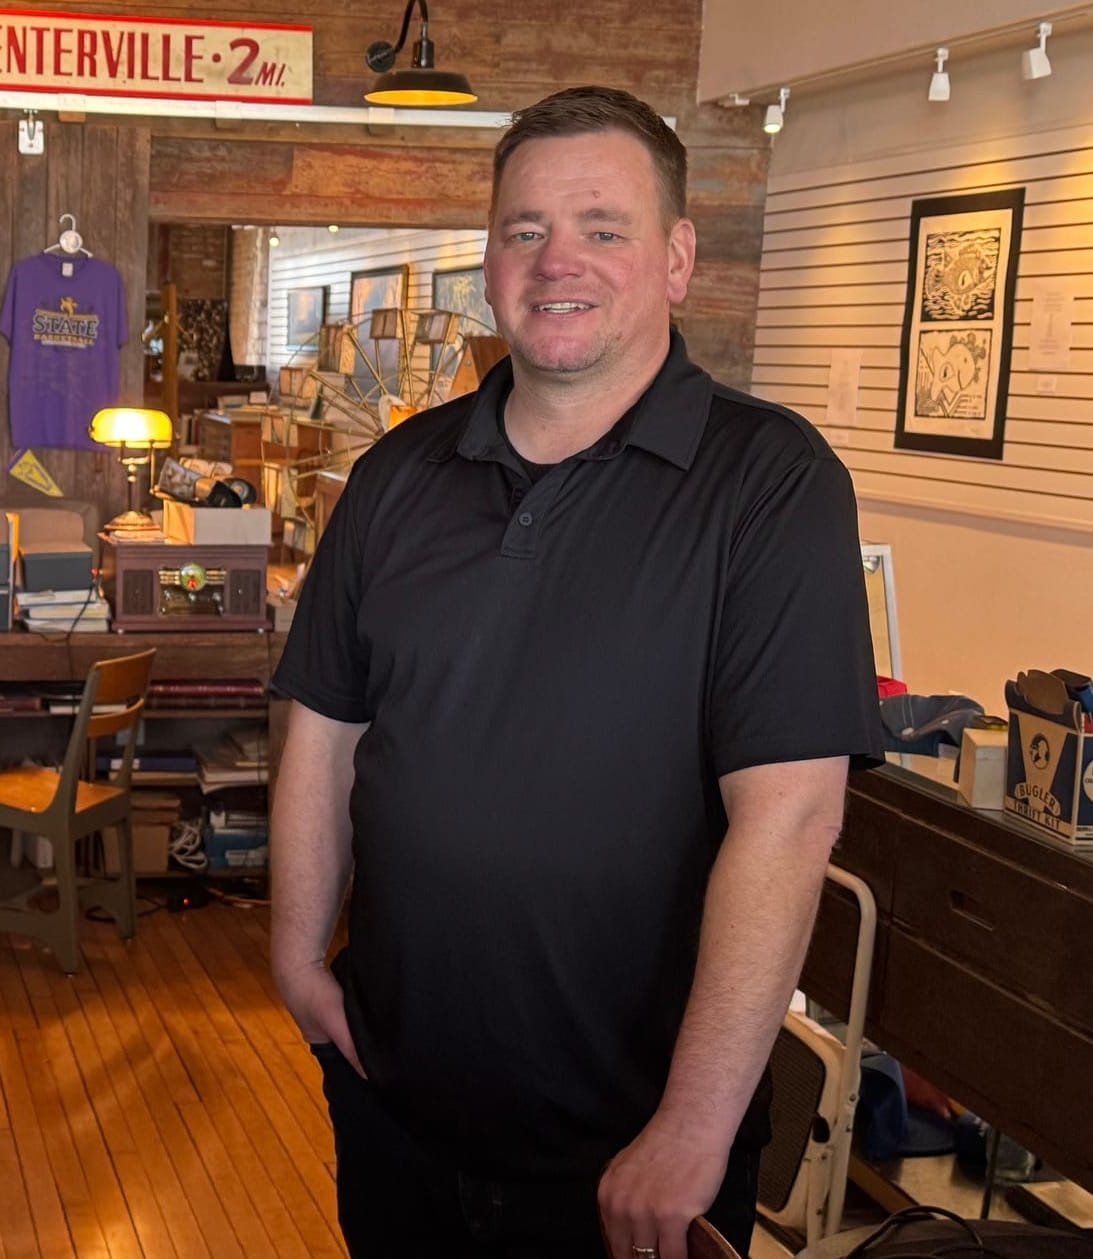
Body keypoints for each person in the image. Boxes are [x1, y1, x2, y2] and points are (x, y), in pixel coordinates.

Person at [270, 85, 882, 1259]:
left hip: (631, 1165)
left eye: (602, 227)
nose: (557, 261)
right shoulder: (396, 474)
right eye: (523, 230)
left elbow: (792, 813)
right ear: (491, 259)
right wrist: (295, 960)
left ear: (674, 259)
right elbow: (323, 729)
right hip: (396, 1112)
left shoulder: (769, 483)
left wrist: (694, 1127)